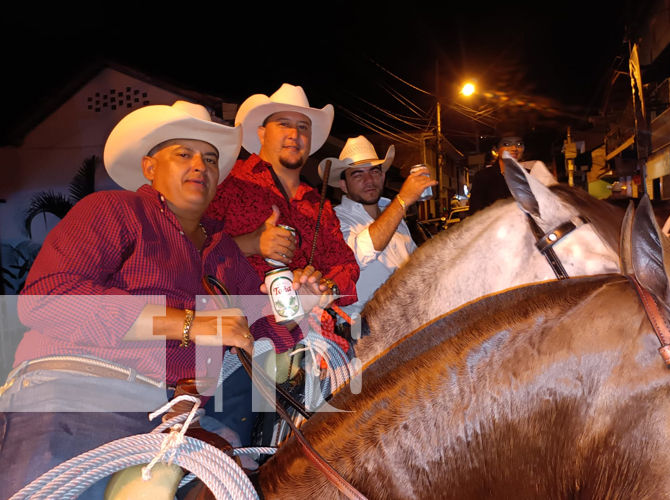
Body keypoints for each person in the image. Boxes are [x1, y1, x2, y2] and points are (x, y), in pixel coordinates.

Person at [0, 101, 323, 499]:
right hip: (82, 394)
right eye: (184, 154)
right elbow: (48, 298)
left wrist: (298, 312)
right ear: (150, 168)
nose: (201, 166)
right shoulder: (111, 210)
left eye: (209, 158)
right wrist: (190, 323)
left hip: (181, 418)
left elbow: (253, 337)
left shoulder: (226, 254)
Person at [206, 83, 360, 325]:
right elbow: (189, 250)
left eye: (302, 127)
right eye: (283, 124)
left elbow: (346, 265)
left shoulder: (319, 205)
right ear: (262, 133)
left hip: (314, 338)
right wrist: (249, 244)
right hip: (242, 335)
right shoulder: (229, 181)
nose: (294, 134)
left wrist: (323, 286)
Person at [323, 136, 437, 322]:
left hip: (409, 321)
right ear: (343, 185)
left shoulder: (395, 216)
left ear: (383, 177)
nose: (369, 180)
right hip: (363, 328)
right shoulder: (335, 219)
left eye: (374, 172)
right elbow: (354, 257)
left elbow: (415, 266)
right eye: (358, 174)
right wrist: (402, 201)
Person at [468, 119, 547, 214]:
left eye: (519, 144)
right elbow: (475, 214)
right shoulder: (483, 177)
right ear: (495, 149)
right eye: (506, 144)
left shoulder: (530, 176)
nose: (514, 149)